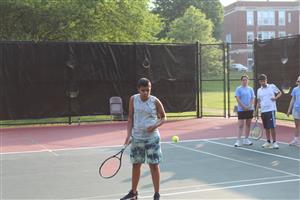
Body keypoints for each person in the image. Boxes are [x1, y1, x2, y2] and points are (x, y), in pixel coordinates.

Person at [120, 78, 166, 200]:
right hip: (137, 138)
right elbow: (130, 118)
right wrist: (128, 134)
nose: (146, 92)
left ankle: (157, 194)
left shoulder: (155, 101)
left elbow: (163, 117)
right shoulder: (133, 99)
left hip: (152, 138)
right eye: (143, 90)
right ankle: (133, 192)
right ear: (138, 89)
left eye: (148, 90)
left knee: (154, 165)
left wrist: (155, 125)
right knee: (136, 165)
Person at [256, 74, 282, 149]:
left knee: (272, 127)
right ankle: (268, 141)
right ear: (259, 82)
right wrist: (256, 111)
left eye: (264, 81)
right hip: (263, 111)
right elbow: (258, 101)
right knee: (266, 127)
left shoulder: (272, 86)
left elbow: (280, 93)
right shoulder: (259, 90)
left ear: (266, 80)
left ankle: (274, 142)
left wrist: (275, 98)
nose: (262, 82)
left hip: (271, 110)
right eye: (261, 81)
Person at [234, 75, 255, 147]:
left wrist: (249, 106)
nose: (245, 81)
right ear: (241, 81)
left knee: (248, 124)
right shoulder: (238, 89)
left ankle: (246, 139)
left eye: (246, 80)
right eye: (243, 80)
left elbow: (252, 98)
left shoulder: (250, 89)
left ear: (248, 81)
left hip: (250, 109)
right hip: (241, 109)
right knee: (240, 125)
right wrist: (243, 106)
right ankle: (238, 140)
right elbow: (238, 98)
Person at [287, 76, 300, 146]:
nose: (298, 82)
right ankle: (296, 140)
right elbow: (292, 100)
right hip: (296, 110)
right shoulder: (295, 89)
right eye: (298, 81)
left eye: (299, 81)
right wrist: (289, 110)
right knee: (297, 126)